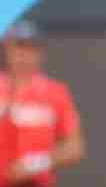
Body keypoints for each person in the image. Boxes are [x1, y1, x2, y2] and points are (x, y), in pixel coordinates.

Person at [1, 21, 85, 187]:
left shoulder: (54, 93)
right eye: (19, 47)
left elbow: (75, 147)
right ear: (7, 50)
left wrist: (35, 164)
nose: (24, 55)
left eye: (31, 48)